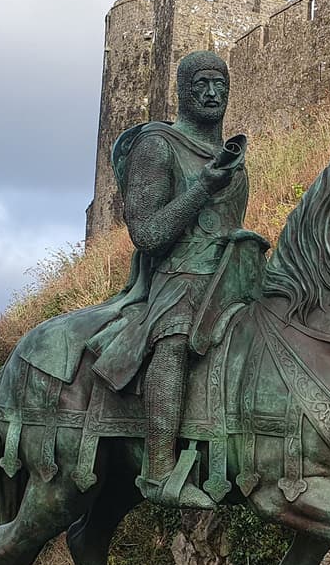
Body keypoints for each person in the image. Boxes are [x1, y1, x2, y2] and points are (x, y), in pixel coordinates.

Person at [87, 50, 248, 508]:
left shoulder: (231, 157)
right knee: (175, 336)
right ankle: (159, 470)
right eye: (202, 84)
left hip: (230, 274)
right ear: (182, 90)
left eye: (220, 84)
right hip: (177, 277)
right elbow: (148, 234)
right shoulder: (157, 145)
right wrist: (203, 187)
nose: (213, 93)